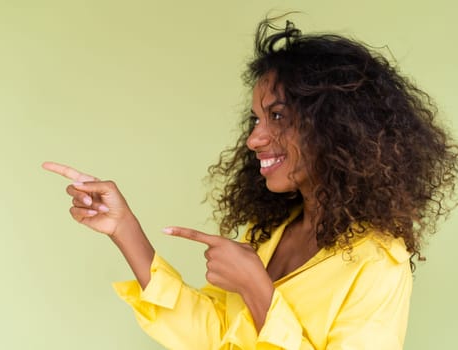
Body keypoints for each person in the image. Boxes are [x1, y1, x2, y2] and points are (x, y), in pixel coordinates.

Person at [43, 18, 457, 350]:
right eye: (256, 119)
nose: (254, 139)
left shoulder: (379, 261)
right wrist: (125, 229)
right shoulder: (272, 234)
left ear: (337, 128)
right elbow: (212, 337)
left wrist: (257, 288)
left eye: (277, 116)